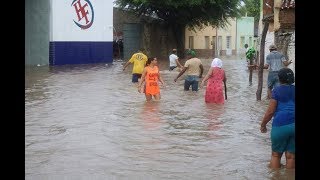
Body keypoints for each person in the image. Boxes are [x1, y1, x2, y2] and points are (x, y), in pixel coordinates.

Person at [260, 67, 295, 169]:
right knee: (291, 156)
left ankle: (276, 176)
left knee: (276, 155)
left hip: (280, 125)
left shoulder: (276, 91)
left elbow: (270, 112)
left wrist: (263, 125)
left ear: (280, 79)